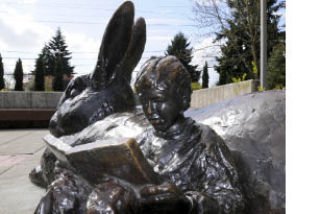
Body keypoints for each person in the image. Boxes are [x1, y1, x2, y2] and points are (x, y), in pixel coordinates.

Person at [134, 56, 245, 213]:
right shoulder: (140, 144)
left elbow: (232, 200)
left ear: (183, 98)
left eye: (158, 100)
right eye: (144, 101)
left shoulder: (204, 142)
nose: (150, 110)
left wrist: (187, 203)